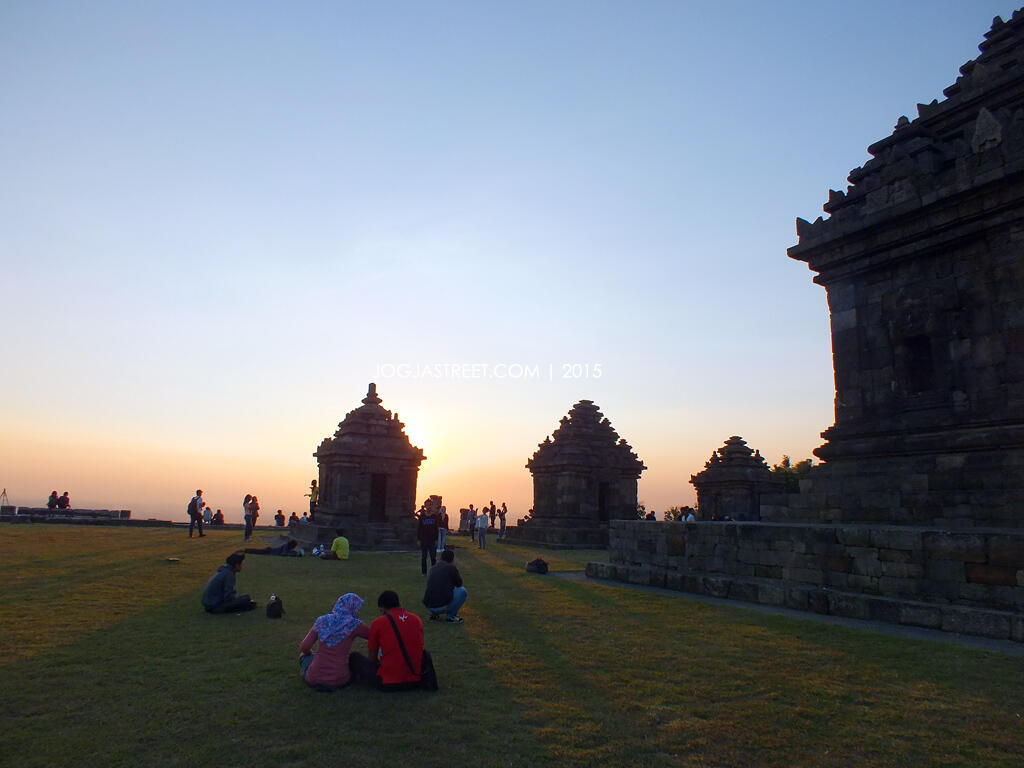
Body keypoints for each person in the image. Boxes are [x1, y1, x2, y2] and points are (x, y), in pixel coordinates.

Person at [350, 590, 423, 691]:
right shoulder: (416, 620)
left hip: (388, 682)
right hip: (415, 680)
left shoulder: (378, 623)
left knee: (354, 657)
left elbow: (372, 658)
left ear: (383, 609)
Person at [299, 593, 370, 690]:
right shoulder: (355, 625)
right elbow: (373, 636)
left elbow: (304, 647)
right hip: (339, 680)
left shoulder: (322, 621)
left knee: (305, 657)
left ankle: (306, 672)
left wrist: (310, 653)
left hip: (314, 678)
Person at [423, 549, 467, 623]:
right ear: (452, 559)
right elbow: (459, 584)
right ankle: (451, 616)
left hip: (429, 605)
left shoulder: (433, 568)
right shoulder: (451, 568)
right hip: (442, 605)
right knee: (462, 591)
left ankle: (434, 615)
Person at [417, 507, 439, 575]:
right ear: (426, 506)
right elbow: (419, 528)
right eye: (428, 505)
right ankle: (424, 572)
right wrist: (418, 539)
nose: (429, 507)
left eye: (430, 505)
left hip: (432, 540)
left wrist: (436, 539)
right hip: (424, 540)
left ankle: (434, 572)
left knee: (433, 557)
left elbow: (436, 529)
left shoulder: (434, 516)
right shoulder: (422, 516)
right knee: (424, 557)